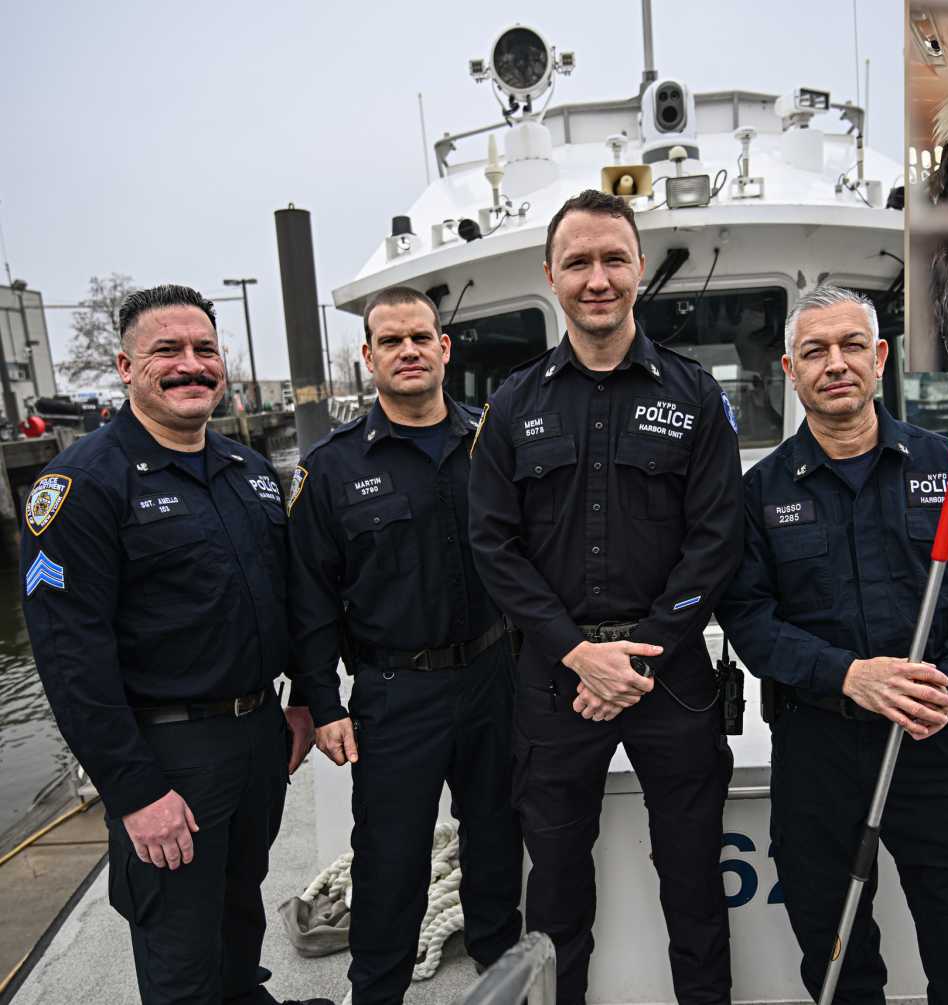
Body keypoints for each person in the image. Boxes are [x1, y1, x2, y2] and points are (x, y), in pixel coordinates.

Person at [717, 284, 948, 1005]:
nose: (836, 363)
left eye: (851, 345)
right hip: (818, 754)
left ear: (880, 356)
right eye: (815, 351)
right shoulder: (760, 493)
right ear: (789, 371)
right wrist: (848, 675)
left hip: (936, 744)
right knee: (835, 962)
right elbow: (750, 622)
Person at [469, 189, 744, 1004]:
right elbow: (494, 544)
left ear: (640, 268)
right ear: (550, 274)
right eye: (579, 261)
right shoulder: (513, 404)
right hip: (557, 681)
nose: (598, 278)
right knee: (553, 892)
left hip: (675, 681)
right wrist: (579, 652)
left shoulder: (695, 397)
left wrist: (641, 653)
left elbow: (716, 539)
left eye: (613, 259)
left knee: (695, 882)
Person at [20, 284, 326, 1005]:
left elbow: (286, 599)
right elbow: (71, 658)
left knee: (238, 910)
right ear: (126, 367)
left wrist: (306, 698)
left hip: (257, 736)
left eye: (204, 350)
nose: (191, 365)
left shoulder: (246, 472)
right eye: (167, 351)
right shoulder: (82, 485)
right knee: (179, 946)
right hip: (168, 756)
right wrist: (134, 790)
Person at [287, 286, 523, 1003]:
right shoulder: (330, 470)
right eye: (391, 341)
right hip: (396, 692)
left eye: (421, 336)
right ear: (368, 357)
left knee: (494, 835)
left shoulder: (494, 441)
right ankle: (378, 991)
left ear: (445, 347)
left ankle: (499, 963)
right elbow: (309, 598)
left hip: (495, 671)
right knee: (391, 857)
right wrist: (324, 703)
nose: (409, 350)